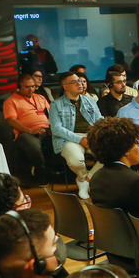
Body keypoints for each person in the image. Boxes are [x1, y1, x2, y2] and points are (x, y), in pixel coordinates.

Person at [87, 116, 139, 231]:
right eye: (136, 143)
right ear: (125, 150)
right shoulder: (136, 182)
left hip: (114, 237)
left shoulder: (96, 177)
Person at [47, 70, 103, 199]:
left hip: (91, 136)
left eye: (80, 81)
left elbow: (100, 120)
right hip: (68, 139)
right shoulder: (56, 105)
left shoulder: (90, 101)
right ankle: (83, 178)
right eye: (75, 82)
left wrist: (96, 135)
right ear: (65, 86)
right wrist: (79, 139)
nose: (80, 84)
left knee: (111, 154)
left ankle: (86, 181)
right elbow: (56, 129)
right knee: (76, 161)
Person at [3, 71, 51, 182]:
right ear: (19, 87)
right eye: (27, 87)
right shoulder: (11, 101)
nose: (31, 90)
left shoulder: (41, 98)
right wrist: (30, 131)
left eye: (33, 86)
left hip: (47, 130)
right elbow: (11, 120)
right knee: (34, 148)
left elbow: (51, 114)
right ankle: (41, 175)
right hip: (26, 133)